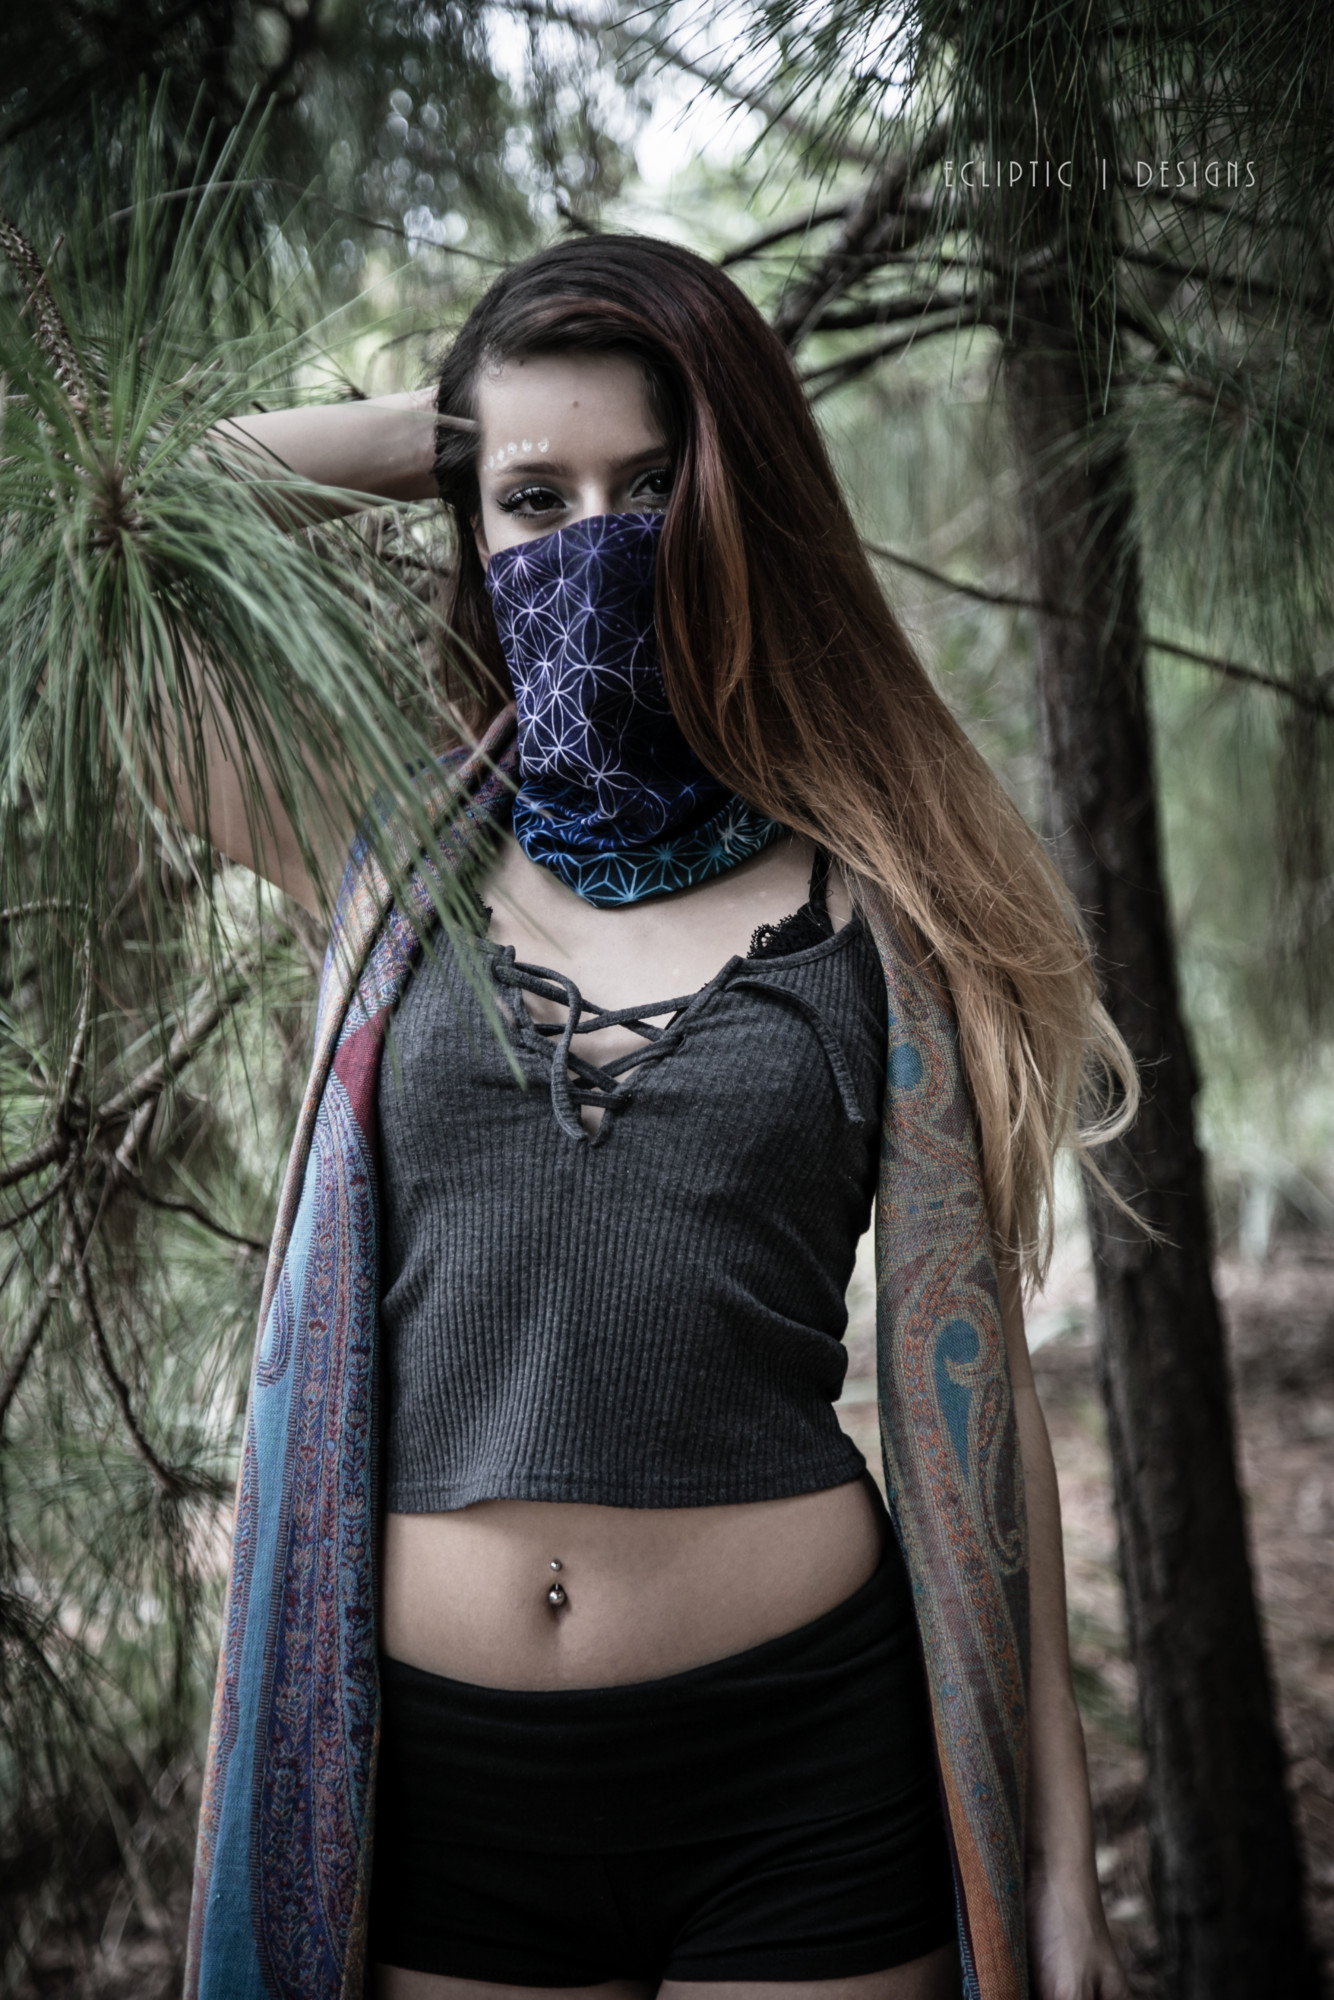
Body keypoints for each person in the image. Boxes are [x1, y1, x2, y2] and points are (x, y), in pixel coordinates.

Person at [183, 236, 1133, 2000]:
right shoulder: (382, 855)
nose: (594, 541)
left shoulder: (882, 903)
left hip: (802, 1768)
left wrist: (1060, 1866)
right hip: (444, 1786)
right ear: (471, 523)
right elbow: (134, 534)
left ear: (731, 505)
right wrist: (438, 428)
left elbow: (979, 1395)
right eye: (535, 502)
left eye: (647, 489)